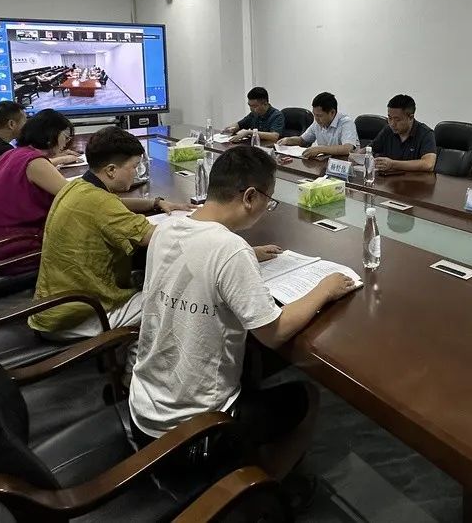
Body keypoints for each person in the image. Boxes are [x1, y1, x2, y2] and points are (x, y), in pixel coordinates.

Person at [129, 146, 358, 481]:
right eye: (269, 199)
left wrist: (248, 253)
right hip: (191, 435)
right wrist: (325, 288)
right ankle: (265, 491)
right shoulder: (230, 250)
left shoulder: (167, 229)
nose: (268, 208)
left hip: (144, 411)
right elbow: (274, 333)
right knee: (306, 396)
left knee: (251, 365)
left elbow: (199, 259)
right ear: (250, 197)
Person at [29, 127, 186, 358]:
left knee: (146, 278)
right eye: (134, 167)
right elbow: (157, 237)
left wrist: (155, 202)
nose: (136, 173)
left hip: (53, 308)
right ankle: (133, 366)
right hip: (78, 317)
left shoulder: (77, 187)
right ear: (111, 170)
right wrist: (202, 222)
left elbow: (113, 204)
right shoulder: (100, 203)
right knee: (174, 298)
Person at [0, 109, 77, 271]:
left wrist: (61, 159)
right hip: (18, 249)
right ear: (51, 135)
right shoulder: (35, 162)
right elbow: (76, 196)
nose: (66, 142)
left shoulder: (13, 154)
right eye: (65, 136)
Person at [277, 91, 359, 158]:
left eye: (319, 115)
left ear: (332, 112)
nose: (316, 119)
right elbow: (303, 140)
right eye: (314, 115)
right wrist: (288, 140)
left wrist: (320, 149)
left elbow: (347, 148)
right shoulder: (317, 123)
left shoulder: (346, 122)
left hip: (344, 165)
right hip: (324, 163)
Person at [371, 94, 437, 173]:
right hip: (390, 179)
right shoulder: (388, 130)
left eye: (397, 120)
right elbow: (369, 150)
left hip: (415, 180)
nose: (392, 124)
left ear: (411, 118)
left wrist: (392, 164)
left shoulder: (426, 134)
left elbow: (428, 164)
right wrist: (357, 154)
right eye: (390, 118)